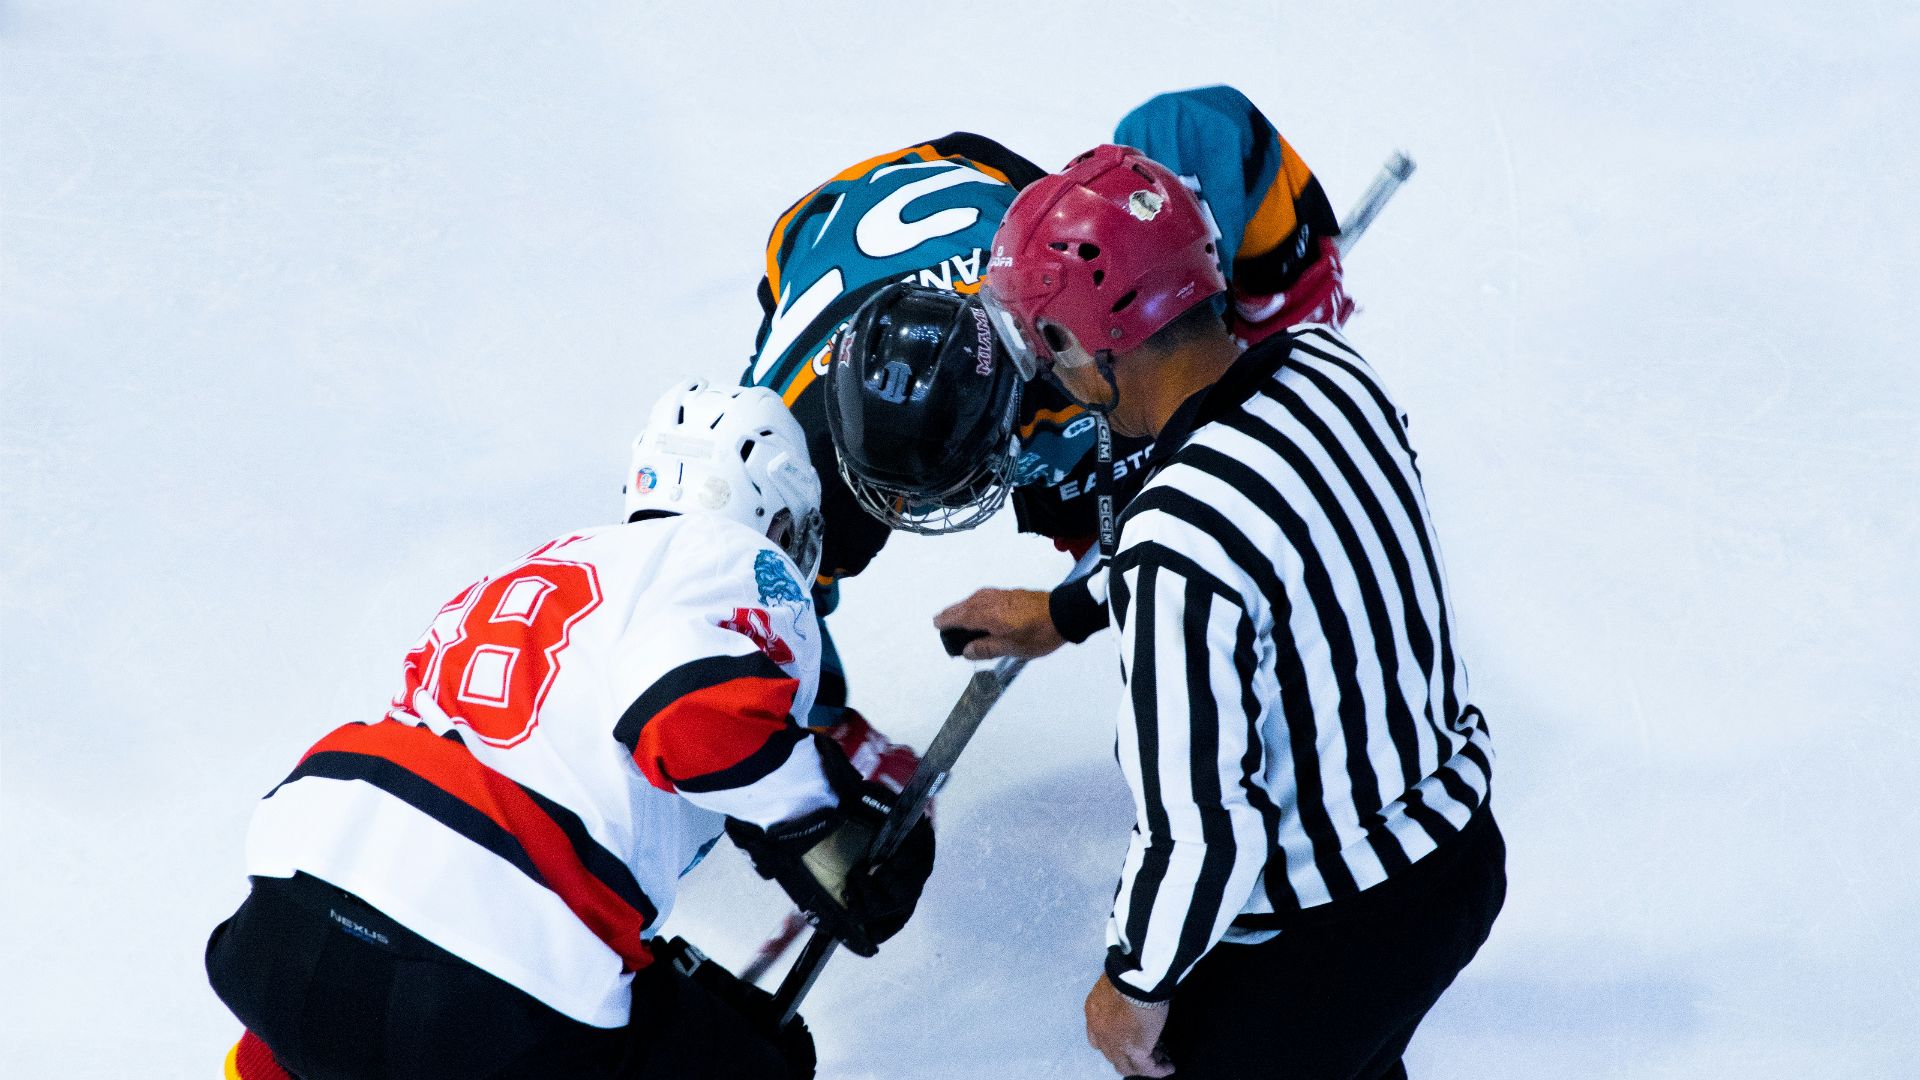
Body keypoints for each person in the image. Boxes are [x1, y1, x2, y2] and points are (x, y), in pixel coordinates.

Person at [204, 380, 935, 1080]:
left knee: (333, 1034)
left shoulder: (537, 569)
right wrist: (823, 820)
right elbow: (681, 708)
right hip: (471, 981)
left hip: (283, 933)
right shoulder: (731, 563)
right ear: (778, 516)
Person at [965, 146, 1505, 1079]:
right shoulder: (1335, 373)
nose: (1050, 377)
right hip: (1458, 860)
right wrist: (1071, 609)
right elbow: (1287, 538)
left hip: (1330, 937)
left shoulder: (1173, 545)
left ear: (1094, 344)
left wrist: (1130, 988)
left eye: (1047, 345)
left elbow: (1203, 835)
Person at [742, 85, 1353, 711]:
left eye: (958, 478)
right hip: (827, 240)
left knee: (1184, 396)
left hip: (985, 205)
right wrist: (827, 746)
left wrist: (1273, 307)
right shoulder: (787, 457)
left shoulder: (1078, 320)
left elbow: (1198, 125)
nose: (928, 507)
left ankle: (1270, 325)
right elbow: (749, 606)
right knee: (772, 564)